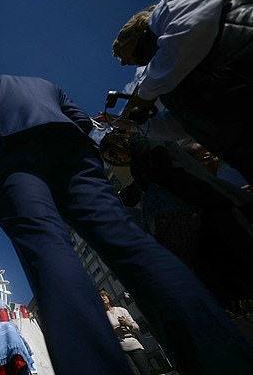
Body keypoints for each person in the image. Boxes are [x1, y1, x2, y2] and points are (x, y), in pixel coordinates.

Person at [0, 74, 253, 375]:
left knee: (46, 247)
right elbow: (79, 118)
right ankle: (223, 358)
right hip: (72, 148)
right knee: (126, 237)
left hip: (10, 149)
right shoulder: (50, 86)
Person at [112, 0, 253, 184]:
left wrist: (144, 96)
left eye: (120, 53)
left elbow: (188, 34)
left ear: (130, 35)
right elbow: (180, 126)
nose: (123, 63)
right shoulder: (164, 79)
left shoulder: (170, 7)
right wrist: (134, 126)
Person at [99, 131, 253, 305]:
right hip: (200, 218)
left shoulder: (146, 148)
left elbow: (165, 176)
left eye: (113, 154)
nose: (117, 160)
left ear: (118, 142)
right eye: (111, 160)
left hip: (203, 212)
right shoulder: (143, 158)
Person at [100, 290, 151, 375]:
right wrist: (115, 330)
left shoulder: (121, 310)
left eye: (103, 295)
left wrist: (127, 323)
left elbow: (137, 328)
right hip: (120, 348)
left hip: (135, 346)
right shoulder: (102, 316)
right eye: (100, 297)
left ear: (108, 296)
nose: (102, 298)